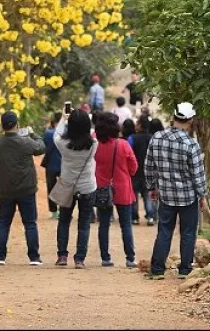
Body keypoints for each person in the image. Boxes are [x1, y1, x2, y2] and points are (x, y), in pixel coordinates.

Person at [144, 102, 208, 280]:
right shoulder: (191, 144)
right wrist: (202, 195)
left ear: (173, 118)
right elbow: (197, 173)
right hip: (188, 196)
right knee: (188, 232)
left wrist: (152, 187)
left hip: (165, 194)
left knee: (164, 230)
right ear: (190, 121)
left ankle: (157, 270)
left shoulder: (156, 138)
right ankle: (185, 269)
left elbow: (149, 166)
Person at [0, 110, 46, 266]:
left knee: (4, 222)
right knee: (30, 223)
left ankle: (0, 256)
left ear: (3, 125)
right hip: (26, 189)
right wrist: (32, 134)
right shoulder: (25, 141)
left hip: (5, 190)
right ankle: (34, 257)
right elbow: (41, 147)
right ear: (17, 124)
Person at [54, 108, 98, 268]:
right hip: (87, 187)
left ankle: (62, 256)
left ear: (70, 126)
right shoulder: (94, 144)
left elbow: (56, 135)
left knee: (64, 221)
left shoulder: (63, 144)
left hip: (68, 187)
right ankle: (79, 259)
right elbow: (91, 131)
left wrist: (63, 119)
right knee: (84, 223)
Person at [94, 111, 138, 268]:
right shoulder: (123, 144)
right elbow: (134, 167)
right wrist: (125, 173)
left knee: (104, 223)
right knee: (126, 224)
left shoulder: (95, 144)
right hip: (122, 187)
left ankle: (105, 257)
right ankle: (130, 258)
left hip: (102, 188)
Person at [131, 115, 155, 226]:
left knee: (134, 196)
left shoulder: (132, 138)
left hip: (135, 171)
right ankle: (150, 217)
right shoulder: (152, 138)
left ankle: (135, 217)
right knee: (147, 195)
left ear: (140, 125)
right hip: (148, 171)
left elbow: (129, 153)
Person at [43, 111, 63, 218]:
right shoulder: (67, 132)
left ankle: (54, 211)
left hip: (51, 164)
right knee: (65, 187)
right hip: (64, 164)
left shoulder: (48, 133)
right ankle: (64, 209)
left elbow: (44, 146)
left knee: (51, 187)